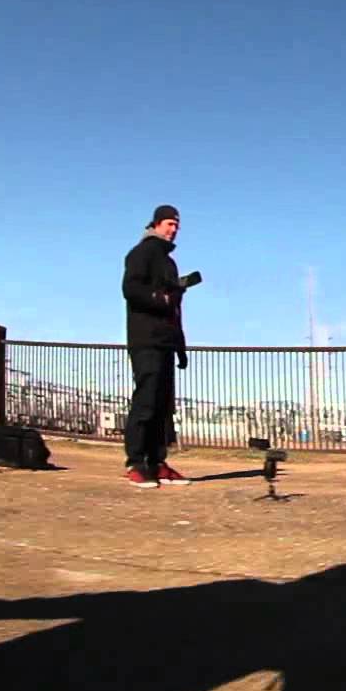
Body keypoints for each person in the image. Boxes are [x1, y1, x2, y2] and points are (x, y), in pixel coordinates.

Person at [121, 204, 191, 488]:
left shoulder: (169, 263)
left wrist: (180, 346)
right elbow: (130, 289)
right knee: (146, 401)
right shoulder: (141, 253)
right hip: (145, 339)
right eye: (169, 224)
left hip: (165, 342)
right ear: (156, 224)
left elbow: (175, 310)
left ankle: (157, 462)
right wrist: (160, 298)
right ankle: (136, 463)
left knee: (163, 405)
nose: (173, 230)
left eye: (177, 226)